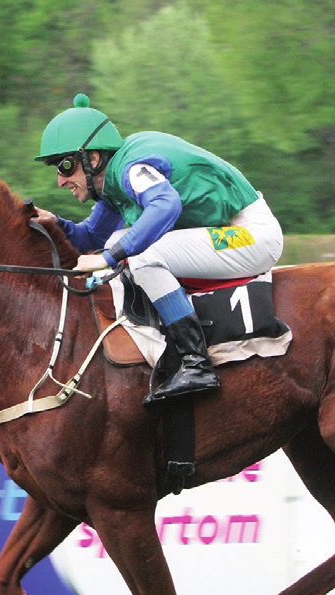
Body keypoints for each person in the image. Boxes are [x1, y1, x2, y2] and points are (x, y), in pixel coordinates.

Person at [31, 94, 283, 402]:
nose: (60, 180)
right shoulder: (111, 183)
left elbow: (166, 205)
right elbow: (91, 238)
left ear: (93, 159)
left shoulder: (133, 170)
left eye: (65, 166)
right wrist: (54, 223)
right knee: (120, 242)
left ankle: (196, 363)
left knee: (140, 252)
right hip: (230, 232)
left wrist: (110, 258)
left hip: (250, 235)